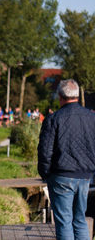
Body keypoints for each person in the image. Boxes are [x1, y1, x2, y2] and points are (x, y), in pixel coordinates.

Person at [38, 79, 95, 240]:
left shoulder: (54, 118)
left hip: (61, 175)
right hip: (85, 176)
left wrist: (45, 173)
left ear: (60, 96)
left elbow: (45, 150)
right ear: (77, 95)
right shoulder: (92, 118)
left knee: (64, 222)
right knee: (80, 220)